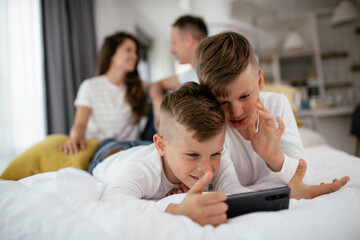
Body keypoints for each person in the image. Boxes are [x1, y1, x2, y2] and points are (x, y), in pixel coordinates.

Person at [93, 82, 349, 227]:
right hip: (113, 154)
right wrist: (175, 211)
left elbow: (231, 190)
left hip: (160, 146)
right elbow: (113, 203)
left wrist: (288, 194)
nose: (206, 169)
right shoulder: (144, 169)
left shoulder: (200, 155)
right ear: (161, 146)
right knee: (108, 148)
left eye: (215, 154)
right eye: (193, 155)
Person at [194, 31, 343, 187]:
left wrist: (274, 157)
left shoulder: (277, 104)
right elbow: (227, 186)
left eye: (244, 96)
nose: (236, 112)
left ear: (260, 81)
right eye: (222, 102)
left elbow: (305, 177)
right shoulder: (212, 120)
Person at [59, 32, 151, 155]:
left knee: (152, 148)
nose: (134, 56)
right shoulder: (90, 86)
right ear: (112, 54)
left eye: (135, 52)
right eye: (128, 50)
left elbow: (160, 86)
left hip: (133, 147)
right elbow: (80, 124)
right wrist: (75, 137)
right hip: (104, 148)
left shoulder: (139, 86)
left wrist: (155, 100)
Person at [149, 15, 208, 130]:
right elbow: (156, 85)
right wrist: (158, 105)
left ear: (189, 40)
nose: (172, 50)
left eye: (174, 43)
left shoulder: (213, 74)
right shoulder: (190, 74)